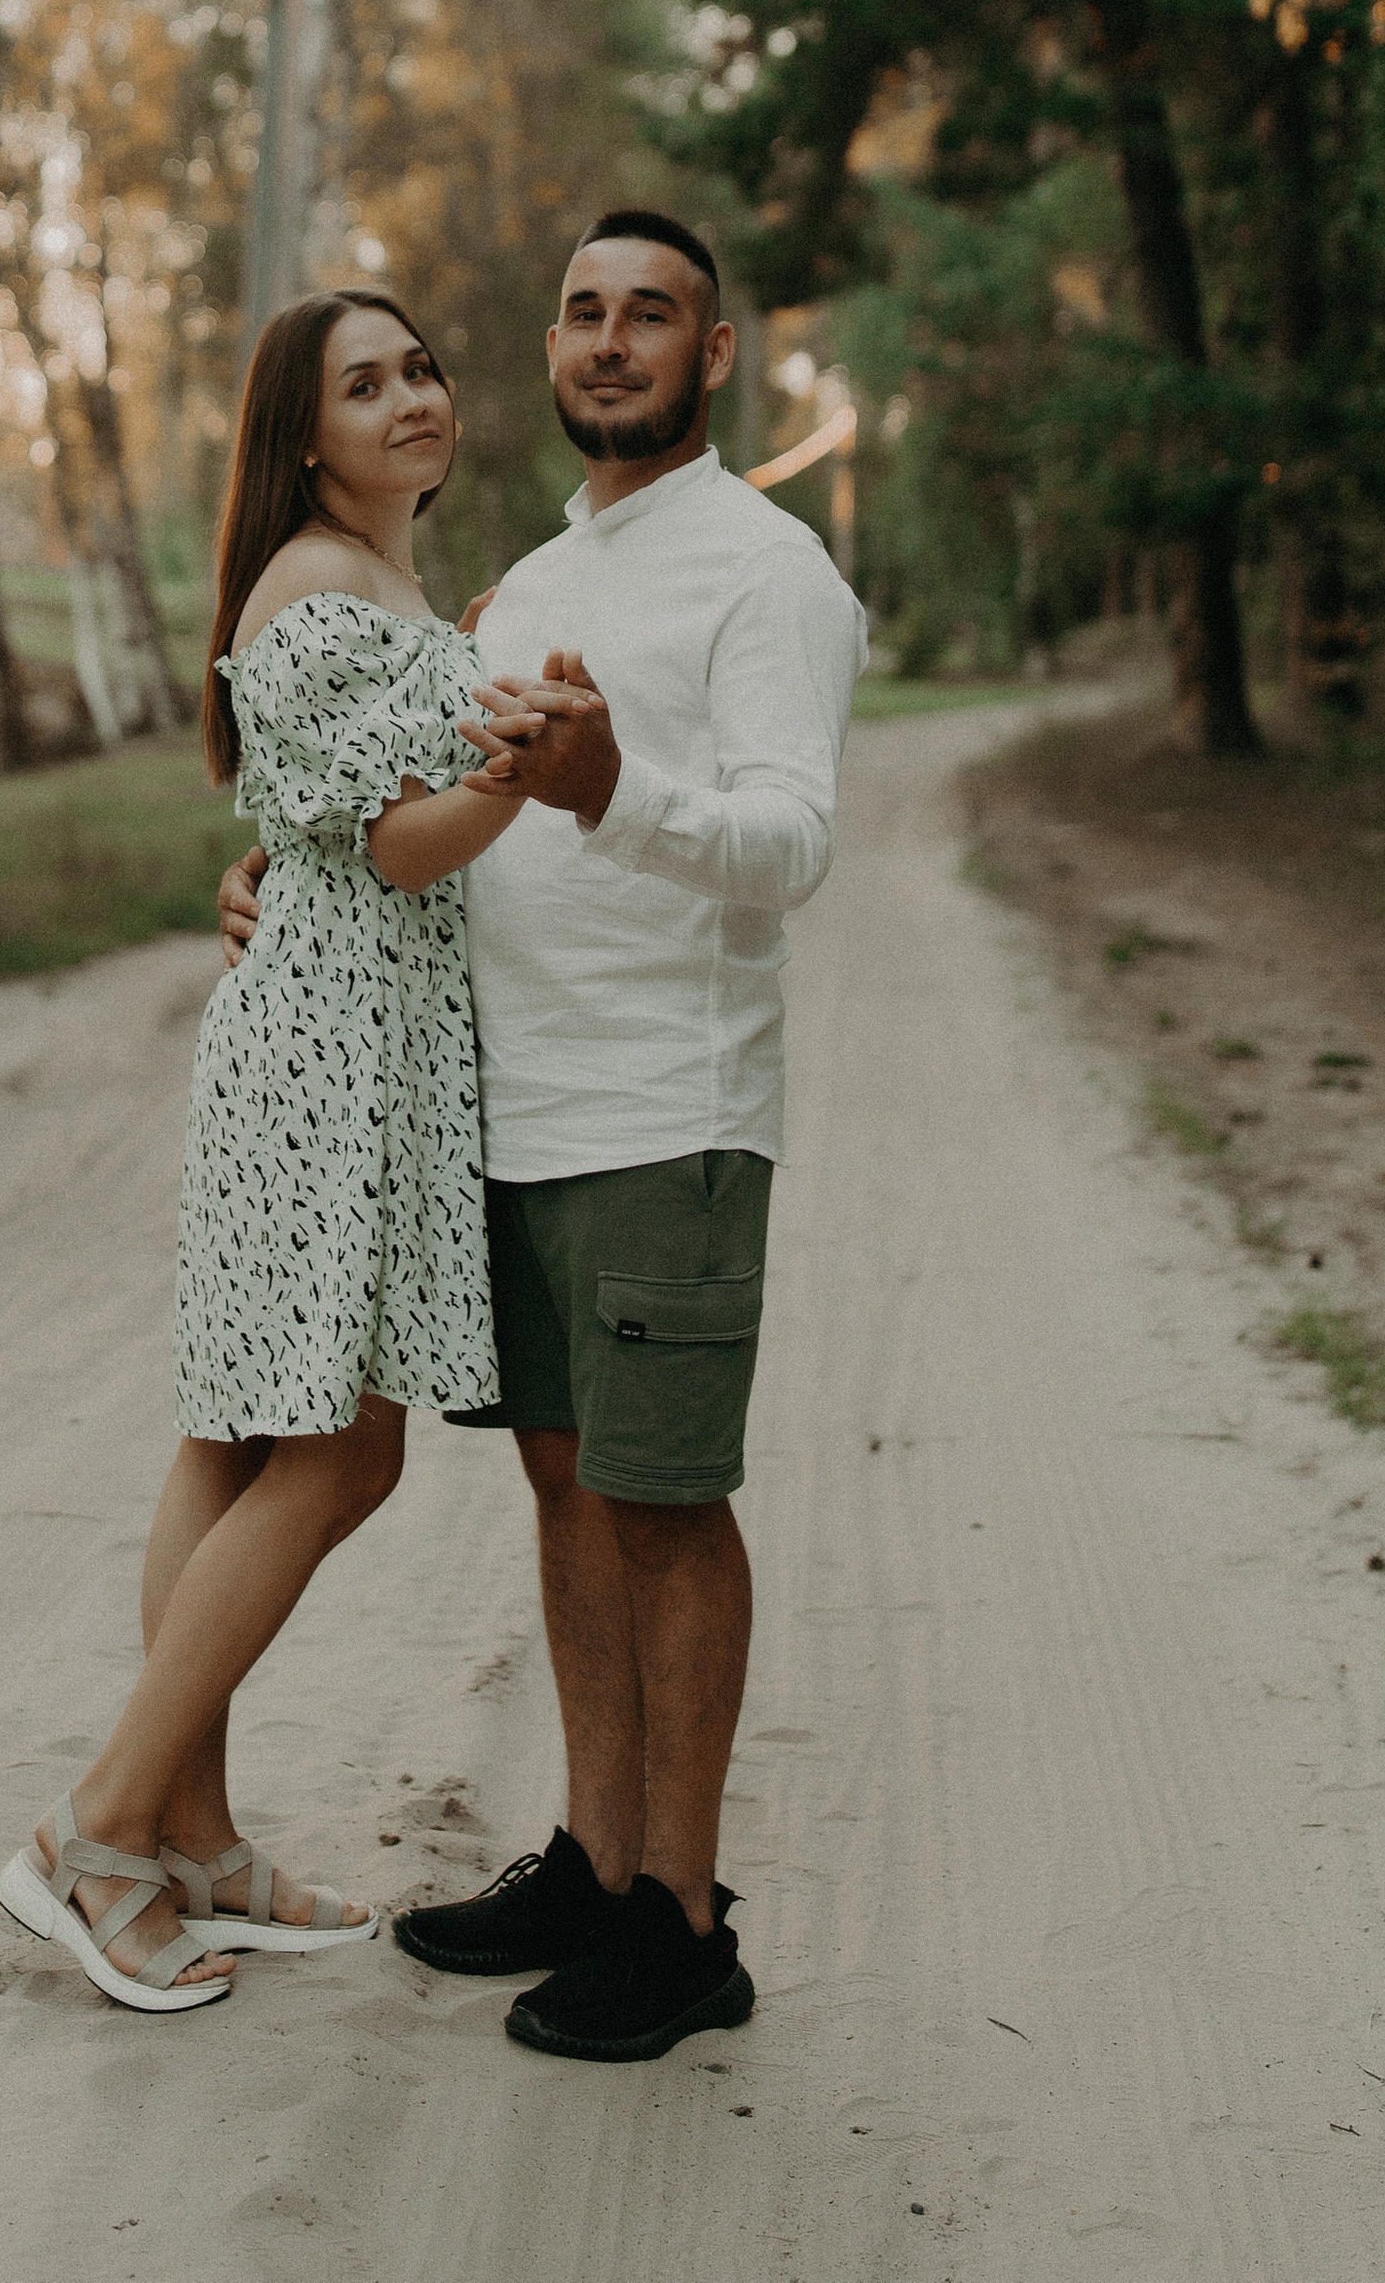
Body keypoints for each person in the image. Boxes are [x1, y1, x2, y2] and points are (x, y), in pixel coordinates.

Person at [220, 209, 867, 2062]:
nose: (606, 341)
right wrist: (278, 874)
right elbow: (400, 811)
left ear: (712, 353)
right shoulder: (516, 580)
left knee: (667, 1506)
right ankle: (594, 1861)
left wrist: (611, 788)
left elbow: (788, 846)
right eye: (581, 310)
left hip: (670, 1114)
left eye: (648, 314)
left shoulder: (768, 573)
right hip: (508, 1113)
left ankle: (684, 1916)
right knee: (569, 1490)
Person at [0, 286, 528, 2013]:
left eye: (422, 369)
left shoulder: (382, 587)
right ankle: (93, 1833)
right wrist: (520, 773)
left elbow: (308, 827)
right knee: (333, 1455)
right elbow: (385, 847)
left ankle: (198, 1848)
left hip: (339, 1039)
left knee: (242, 1441)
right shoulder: (313, 587)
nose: (410, 401)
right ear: (308, 435)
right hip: (327, 1060)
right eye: (366, 385)